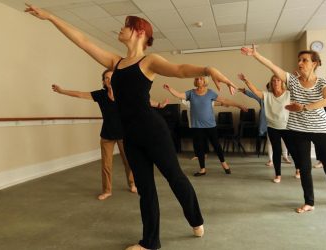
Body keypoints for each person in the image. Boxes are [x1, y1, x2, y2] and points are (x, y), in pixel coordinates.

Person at [25, 4, 237, 249]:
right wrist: (51, 17)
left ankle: (196, 219)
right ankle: (150, 242)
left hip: (153, 131)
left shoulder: (149, 61)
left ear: (138, 32)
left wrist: (208, 69)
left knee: (175, 178)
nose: (121, 29)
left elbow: (179, 70)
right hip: (131, 135)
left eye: (126, 25)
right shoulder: (116, 62)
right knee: (145, 189)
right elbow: (82, 41)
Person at [241, 45, 326, 213]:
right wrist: (255, 54)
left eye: (305, 60)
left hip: (321, 130)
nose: (300, 63)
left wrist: (304, 107)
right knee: (304, 167)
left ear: (315, 63)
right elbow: (271, 66)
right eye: (299, 60)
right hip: (298, 130)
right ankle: (309, 202)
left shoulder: (322, 82)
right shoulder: (292, 80)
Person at [52, 70, 138, 200]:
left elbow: (142, 101)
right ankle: (107, 190)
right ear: (103, 81)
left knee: (129, 162)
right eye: (106, 78)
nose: (109, 80)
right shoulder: (100, 95)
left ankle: (132, 184)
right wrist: (62, 91)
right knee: (106, 165)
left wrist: (159, 105)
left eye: (112, 78)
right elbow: (80, 94)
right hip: (107, 135)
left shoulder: (124, 94)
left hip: (123, 134)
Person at [163, 77, 247, 176]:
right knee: (199, 148)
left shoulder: (210, 92)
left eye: (201, 79)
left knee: (216, 145)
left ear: (204, 81)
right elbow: (179, 95)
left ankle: (224, 164)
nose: (199, 80)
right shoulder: (190, 93)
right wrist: (170, 89)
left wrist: (238, 105)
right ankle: (202, 169)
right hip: (196, 126)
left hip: (210, 125)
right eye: (197, 79)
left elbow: (224, 100)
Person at [237, 73, 300, 183]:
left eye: (278, 80)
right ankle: (278, 175)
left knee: (293, 150)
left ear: (282, 83)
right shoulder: (267, 95)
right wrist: (246, 80)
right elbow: (255, 92)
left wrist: (296, 79)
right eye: (273, 80)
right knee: (276, 151)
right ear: (271, 83)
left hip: (287, 127)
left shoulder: (288, 94)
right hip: (272, 127)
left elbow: (299, 92)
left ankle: (298, 169)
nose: (276, 82)